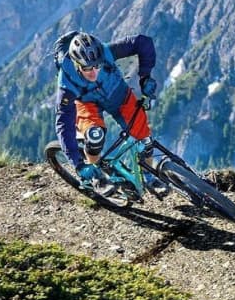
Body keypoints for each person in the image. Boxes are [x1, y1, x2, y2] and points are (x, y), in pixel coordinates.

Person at [53, 30, 159, 189]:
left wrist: (145, 76)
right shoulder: (66, 84)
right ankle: (98, 177)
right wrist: (78, 165)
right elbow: (63, 125)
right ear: (77, 64)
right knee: (94, 137)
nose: (94, 72)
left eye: (97, 66)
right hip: (87, 104)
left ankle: (148, 175)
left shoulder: (106, 52)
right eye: (88, 68)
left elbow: (142, 42)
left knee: (144, 138)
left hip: (119, 93)